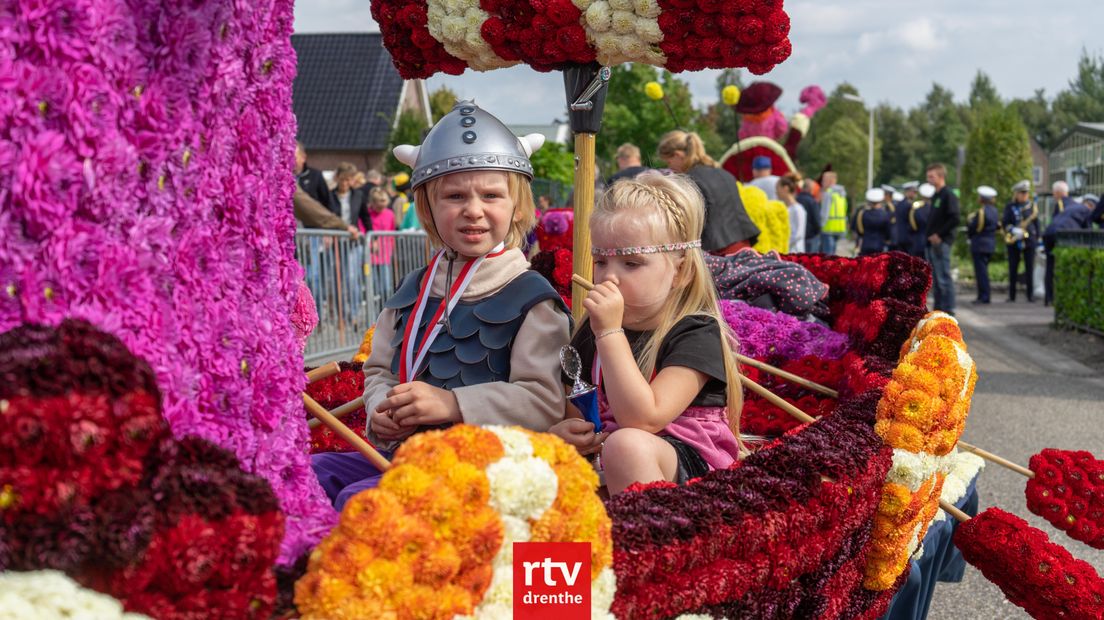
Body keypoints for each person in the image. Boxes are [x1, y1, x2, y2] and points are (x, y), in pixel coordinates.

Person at [311, 101, 572, 510]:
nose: (473, 209)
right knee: (310, 475)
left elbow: (542, 400)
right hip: (409, 456)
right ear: (428, 208)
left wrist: (452, 404)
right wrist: (382, 409)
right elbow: (379, 369)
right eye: (454, 196)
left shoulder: (531, 298)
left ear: (517, 205)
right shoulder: (413, 288)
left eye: (491, 195)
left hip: (487, 469)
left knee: (360, 503)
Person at [551, 173, 743, 495]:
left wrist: (611, 333)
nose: (609, 277)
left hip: (687, 479)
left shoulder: (696, 331)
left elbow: (643, 420)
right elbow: (577, 412)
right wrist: (564, 435)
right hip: (606, 469)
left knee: (627, 446)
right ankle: (576, 546)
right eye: (600, 261)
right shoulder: (592, 328)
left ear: (681, 272)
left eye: (631, 263)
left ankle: (645, 545)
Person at [657, 130, 760, 255]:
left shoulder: (688, 181)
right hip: (744, 245)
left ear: (678, 155)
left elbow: (690, 223)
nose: (669, 167)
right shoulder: (724, 173)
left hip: (717, 253)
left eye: (668, 162)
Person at [1042, 191, 1092, 305]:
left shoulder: (1069, 207)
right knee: (1065, 265)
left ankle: (1048, 298)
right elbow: (1088, 233)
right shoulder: (1086, 210)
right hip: (1063, 236)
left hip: (1049, 233)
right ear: (1090, 205)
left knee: (1050, 267)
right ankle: (1063, 299)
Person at [925, 163, 960, 314]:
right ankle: (939, 309)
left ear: (941, 176)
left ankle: (948, 309)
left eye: (932, 176)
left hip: (942, 242)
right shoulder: (936, 195)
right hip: (932, 242)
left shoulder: (948, 195)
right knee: (937, 279)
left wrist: (939, 235)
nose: (929, 179)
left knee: (944, 276)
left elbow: (955, 218)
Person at [1002, 180, 1040, 303]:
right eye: (1022, 193)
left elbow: (1037, 224)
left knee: (1029, 268)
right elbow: (1005, 223)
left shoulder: (1032, 206)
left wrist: (1038, 238)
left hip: (1029, 241)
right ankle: (1012, 295)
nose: (1025, 195)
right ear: (1016, 194)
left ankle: (1030, 295)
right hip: (1014, 240)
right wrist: (1013, 229)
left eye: (1026, 193)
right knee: (1013, 268)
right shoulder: (1010, 207)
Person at [967, 186, 1000, 305]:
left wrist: (970, 230)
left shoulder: (981, 212)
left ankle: (984, 297)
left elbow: (974, 228)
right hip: (990, 244)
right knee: (984, 271)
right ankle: (984, 295)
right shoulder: (994, 211)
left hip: (979, 245)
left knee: (981, 273)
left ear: (982, 199)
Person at [366, 187, 397, 297]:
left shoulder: (390, 214)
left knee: (386, 284)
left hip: (385, 253)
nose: (382, 207)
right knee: (372, 284)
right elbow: (363, 230)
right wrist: (371, 245)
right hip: (370, 253)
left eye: (384, 203)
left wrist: (392, 248)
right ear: (373, 203)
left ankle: (384, 306)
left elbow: (392, 231)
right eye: (379, 204)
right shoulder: (367, 214)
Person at [295, 141, 335, 211]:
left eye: (294, 158)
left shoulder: (315, 176)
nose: (289, 161)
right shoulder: (282, 178)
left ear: (303, 158)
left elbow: (327, 201)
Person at [332, 162, 372, 232]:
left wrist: (373, 239)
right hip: (334, 237)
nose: (344, 183)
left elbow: (365, 217)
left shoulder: (358, 195)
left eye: (347, 180)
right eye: (341, 179)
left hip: (352, 237)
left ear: (353, 180)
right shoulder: (329, 195)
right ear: (337, 178)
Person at [852, 188, 892, 256]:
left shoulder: (862, 214)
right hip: (880, 246)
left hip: (865, 245)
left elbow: (859, 231)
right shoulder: (886, 215)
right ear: (881, 200)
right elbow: (888, 233)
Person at [817, 167, 848, 255]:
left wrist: (820, 225)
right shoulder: (842, 193)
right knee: (833, 255)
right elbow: (845, 209)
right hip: (839, 228)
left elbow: (824, 212)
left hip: (827, 228)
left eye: (823, 180)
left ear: (830, 181)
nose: (822, 183)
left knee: (827, 256)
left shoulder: (828, 194)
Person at [777, 174, 807, 253]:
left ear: (785, 188)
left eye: (778, 189)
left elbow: (798, 234)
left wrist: (782, 244)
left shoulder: (798, 209)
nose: (776, 192)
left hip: (795, 252)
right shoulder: (785, 208)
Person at [892, 181, 919, 253]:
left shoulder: (899, 204)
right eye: (914, 192)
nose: (915, 194)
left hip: (899, 237)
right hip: (909, 238)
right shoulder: (909, 206)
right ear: (908, 192)